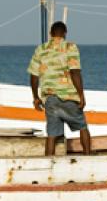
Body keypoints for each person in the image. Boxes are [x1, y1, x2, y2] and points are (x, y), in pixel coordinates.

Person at [27, 21, 93, 156]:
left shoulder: (41, 49)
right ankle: (87, 157)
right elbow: (75, 73)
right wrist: (81, 95)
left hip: (50, 99)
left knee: (51, 135)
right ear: (65, 34)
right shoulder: (70, 47)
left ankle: (48, 164)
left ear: (51, 34)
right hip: (68, 97)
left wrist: (36, 98)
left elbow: (34, 76)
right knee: (82, 126)